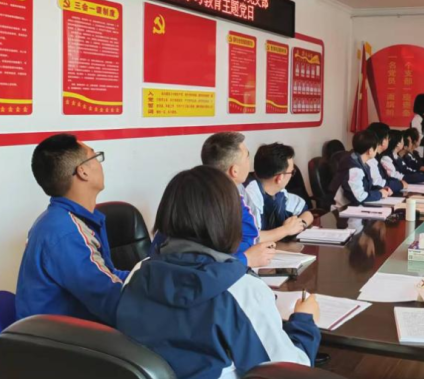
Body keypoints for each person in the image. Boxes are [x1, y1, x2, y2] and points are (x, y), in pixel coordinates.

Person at [116, 166, 321, 379]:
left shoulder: (139, 273)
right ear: (228, 220)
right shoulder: (241, 289)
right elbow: (288, 372)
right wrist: (305, 321)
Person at [16, 134, 129, 326]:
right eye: (95, 156)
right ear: (82, 171)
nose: (100, 164)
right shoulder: (66, 233)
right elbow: (115, 304)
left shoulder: (62, 219)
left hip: (67, 327)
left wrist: (147, 276)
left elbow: (106, 275)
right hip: (60, 339)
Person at [150, 132, 275, 268]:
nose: (249, 163)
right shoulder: (226, 201)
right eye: (247, 157)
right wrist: (245, 259)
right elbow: (248, 240)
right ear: (234, 171)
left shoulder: (185, 188)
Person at [245, 143, 314, 242]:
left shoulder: (279, 192)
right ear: (279, 178)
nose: (291, 176)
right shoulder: (248, 196)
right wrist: (286, 230)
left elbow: (307, 213)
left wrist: (300, 224)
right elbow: (251, 238)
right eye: (292, 172)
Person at [330, 130, 391, 205]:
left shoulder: (362, 163)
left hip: (354, 206)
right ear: (370, 150)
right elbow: (360, 197)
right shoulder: (354, 168)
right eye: (376, 147)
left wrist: (380, 189)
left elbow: (366, 187)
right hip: (343, 208)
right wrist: (380, 194)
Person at [366, 122, 406, 193]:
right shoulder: (370, 158)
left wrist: (398, 182)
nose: (389, 141)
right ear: (383, 141)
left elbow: (384, 178)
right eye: (387, 138)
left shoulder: (377, 157)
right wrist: (400, 184)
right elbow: (377, 183)